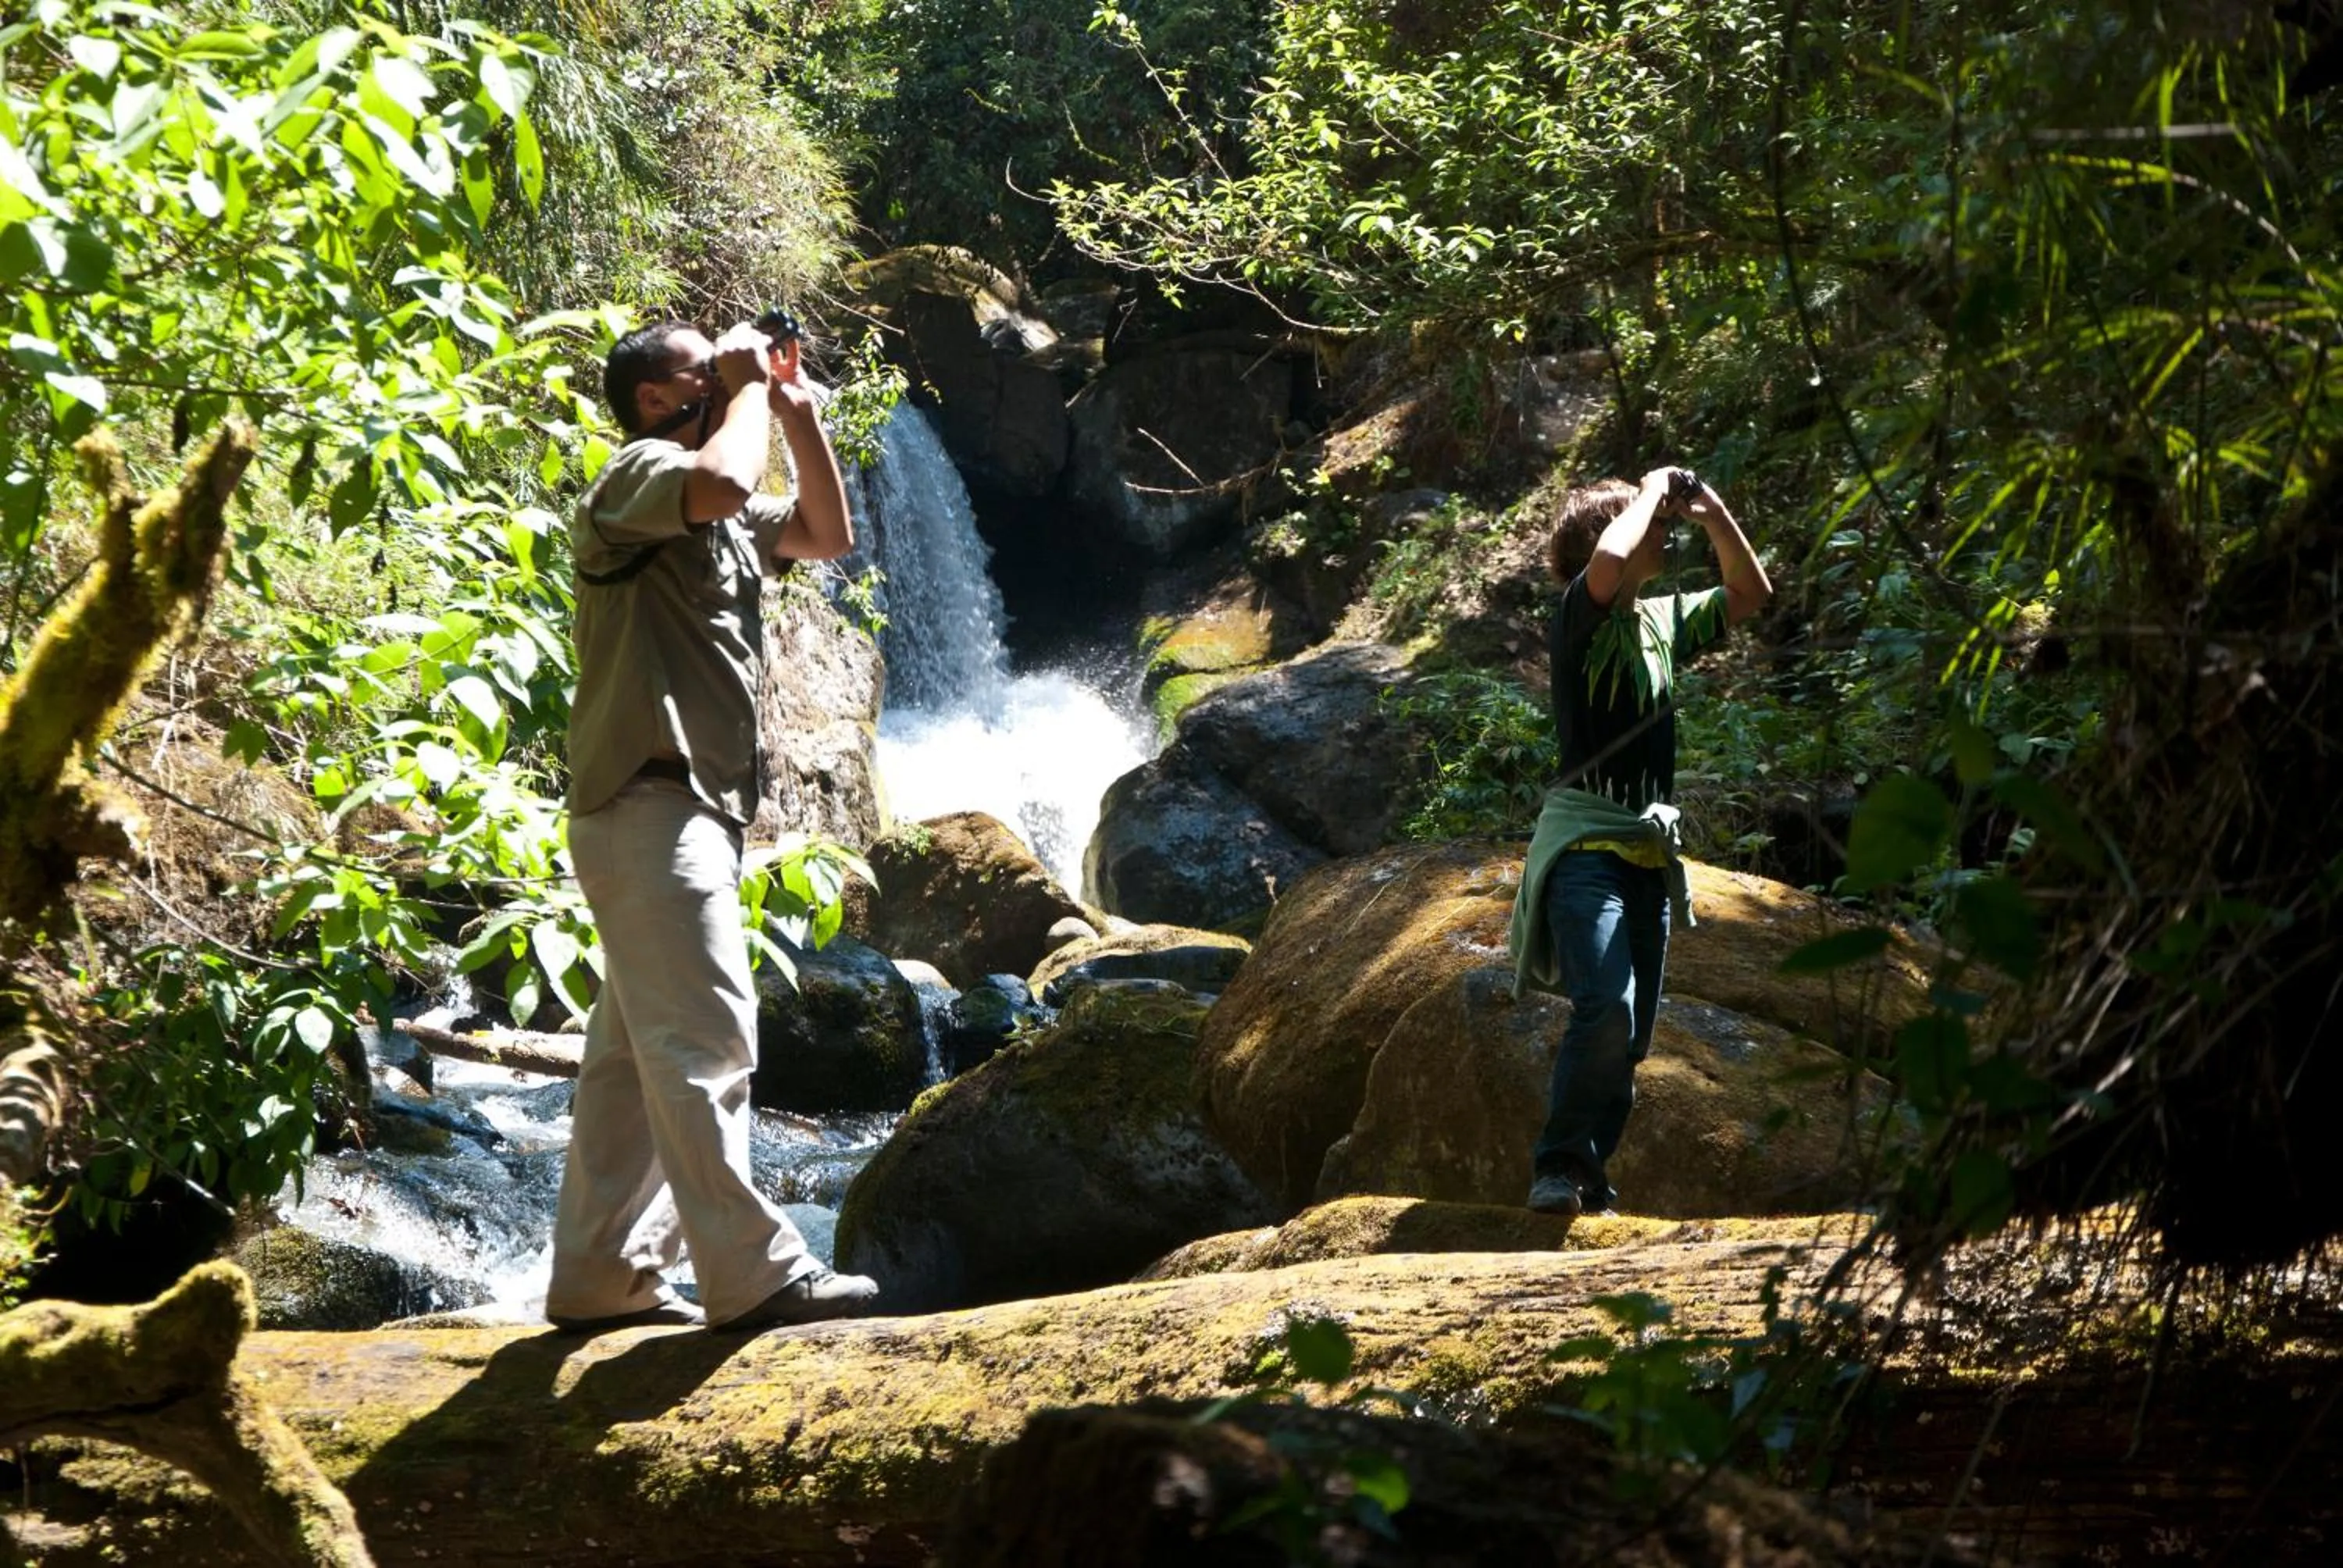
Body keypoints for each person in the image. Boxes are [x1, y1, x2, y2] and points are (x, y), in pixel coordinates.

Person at [544, 315, 879, 1331]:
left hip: (680, 814)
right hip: (650, 805)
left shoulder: (717, 517)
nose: (728, 382)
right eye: (705, 373)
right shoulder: (635, 479)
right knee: (706, 1038)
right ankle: (755, 1275)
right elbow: (724, 484)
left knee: (631, 1066)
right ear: (657, 399)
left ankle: (602, 1276)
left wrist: (799, 413)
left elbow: (827, 535)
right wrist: (741, 395)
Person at [1507, 466, 1774, 1221]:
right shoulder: (1578, 617)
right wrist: (1651, 491)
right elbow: (1612, 566)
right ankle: (1556, 1166)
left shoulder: (1660, 623)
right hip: (1587, 850)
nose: (1665, 531)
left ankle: (1589, 1174)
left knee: (1631, 1037)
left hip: (1647, 859)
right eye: (1653, 522)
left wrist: (1715, 510)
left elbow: (1751, 596)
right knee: (1606, 1007)